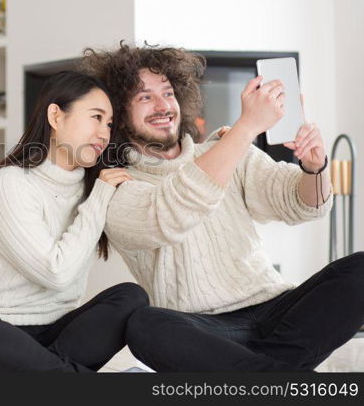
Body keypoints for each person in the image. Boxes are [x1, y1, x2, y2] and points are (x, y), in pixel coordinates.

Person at [82, 43, 364, 372]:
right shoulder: (115, 186)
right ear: (117, 112)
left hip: (276, 309)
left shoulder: (225, 147)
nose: (163, 105)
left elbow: (304, 206)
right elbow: (168, 216)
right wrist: (246, 128)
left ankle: (258, 377)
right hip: (205, 331)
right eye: (145, 97)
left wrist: (314, 166)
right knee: (144, 324)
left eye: (168, 92)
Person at [0, 71, 149, 372]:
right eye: (96, 117)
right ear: (56, 116)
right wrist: (99, 198)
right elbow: (55, 273)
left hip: (57, 336)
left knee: (131, 297)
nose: (104, 133)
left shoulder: (94, 188)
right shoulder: (10, 184)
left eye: (109, 124)